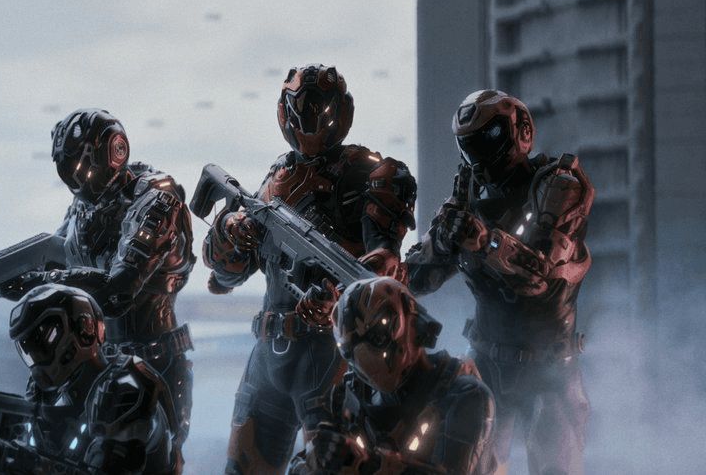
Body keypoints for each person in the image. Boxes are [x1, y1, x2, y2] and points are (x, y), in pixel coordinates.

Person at [201, 64, 417, 474]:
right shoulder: (277, 176)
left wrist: (342, 299)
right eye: (303, 108)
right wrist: (230, 230)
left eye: (320, 108)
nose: (311, 119)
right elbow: (225, 277)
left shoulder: (368, 173)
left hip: (331, 358)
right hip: (268, 358)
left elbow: (384, 267)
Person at [405, 89, 594, 475]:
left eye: (488, 139)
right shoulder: (467, 199)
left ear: (519, 132)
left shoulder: (558, 187)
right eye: (469, 144)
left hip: (549, 368)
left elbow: (539, 274)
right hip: (487, 364)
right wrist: (437, 243)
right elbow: (417, 277)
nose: (478, 156)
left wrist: (483, 241)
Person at [0, 108, 195, 470]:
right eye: (68, 169)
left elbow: (119, 291)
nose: (77, 179)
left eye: (81, 167)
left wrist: (41, 281)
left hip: (152, 361)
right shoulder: (82, 209)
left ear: (111, 152)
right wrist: (18, 277)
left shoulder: (156, 199)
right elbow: (56, 259)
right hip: (89, 361)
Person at [0, 284, 178, 475]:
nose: (36, 357)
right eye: (29, 349)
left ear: (84, 330)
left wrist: (6, 458)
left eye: (43, 341)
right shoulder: (48, 396)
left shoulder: (124, 388)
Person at [287, 277, 496, 475]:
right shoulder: (352, 394)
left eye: (377, 338)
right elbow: (301, 464)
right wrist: (318, 461)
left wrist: (372, 467)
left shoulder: (464, 395)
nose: (367, 358)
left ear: (410, 323)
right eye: (353, 348)